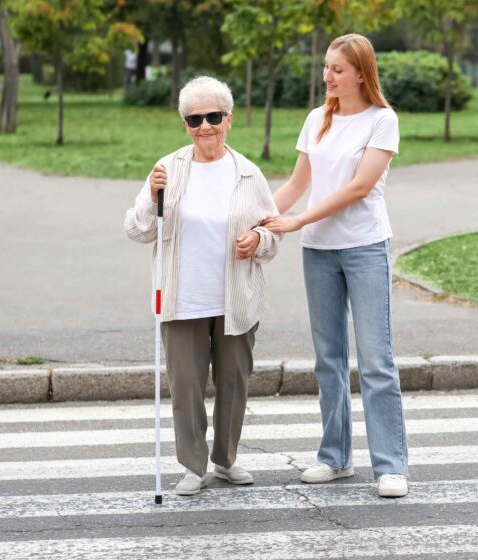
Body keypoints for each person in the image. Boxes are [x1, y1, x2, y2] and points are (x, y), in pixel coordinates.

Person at [262, 33, 409, 498]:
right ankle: (335, 457)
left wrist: (298, 220)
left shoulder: (381, 120)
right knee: (328, 360)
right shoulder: (316, 119)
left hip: (364, 247)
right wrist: (256, 218)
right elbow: (296, 184)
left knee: (376, 361)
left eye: (337, 69)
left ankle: (390, 467)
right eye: (326, 67)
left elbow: (359, 187)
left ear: (361, 74)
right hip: (319, 251)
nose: (327, 76)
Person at [124, 76, 280, 496]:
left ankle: (225, 461)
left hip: (236, 298)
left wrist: (259, 239)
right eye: (195, 119)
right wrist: (152, 196)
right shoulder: (167, 169)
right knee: (186, 387)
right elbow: (138, 230)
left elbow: (273, 234)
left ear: (229, 119)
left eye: (213, 116)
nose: (204, 126)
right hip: (182, 297)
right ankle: (193, 466)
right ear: (185, 125)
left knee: (233, 383)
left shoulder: (248, 173)